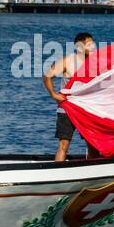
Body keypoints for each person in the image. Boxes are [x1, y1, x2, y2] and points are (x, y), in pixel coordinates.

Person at [43, 31, 96, 162]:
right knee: (64, 145)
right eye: (89, 44)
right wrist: (53, 94)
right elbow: (47, 76)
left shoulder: (96, 62)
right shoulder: (68, 61)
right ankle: (57, 174)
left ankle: (93, 172)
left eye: (93, 43)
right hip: (67, 109)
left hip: (86, 109)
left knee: (93, 145)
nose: (93, 47)